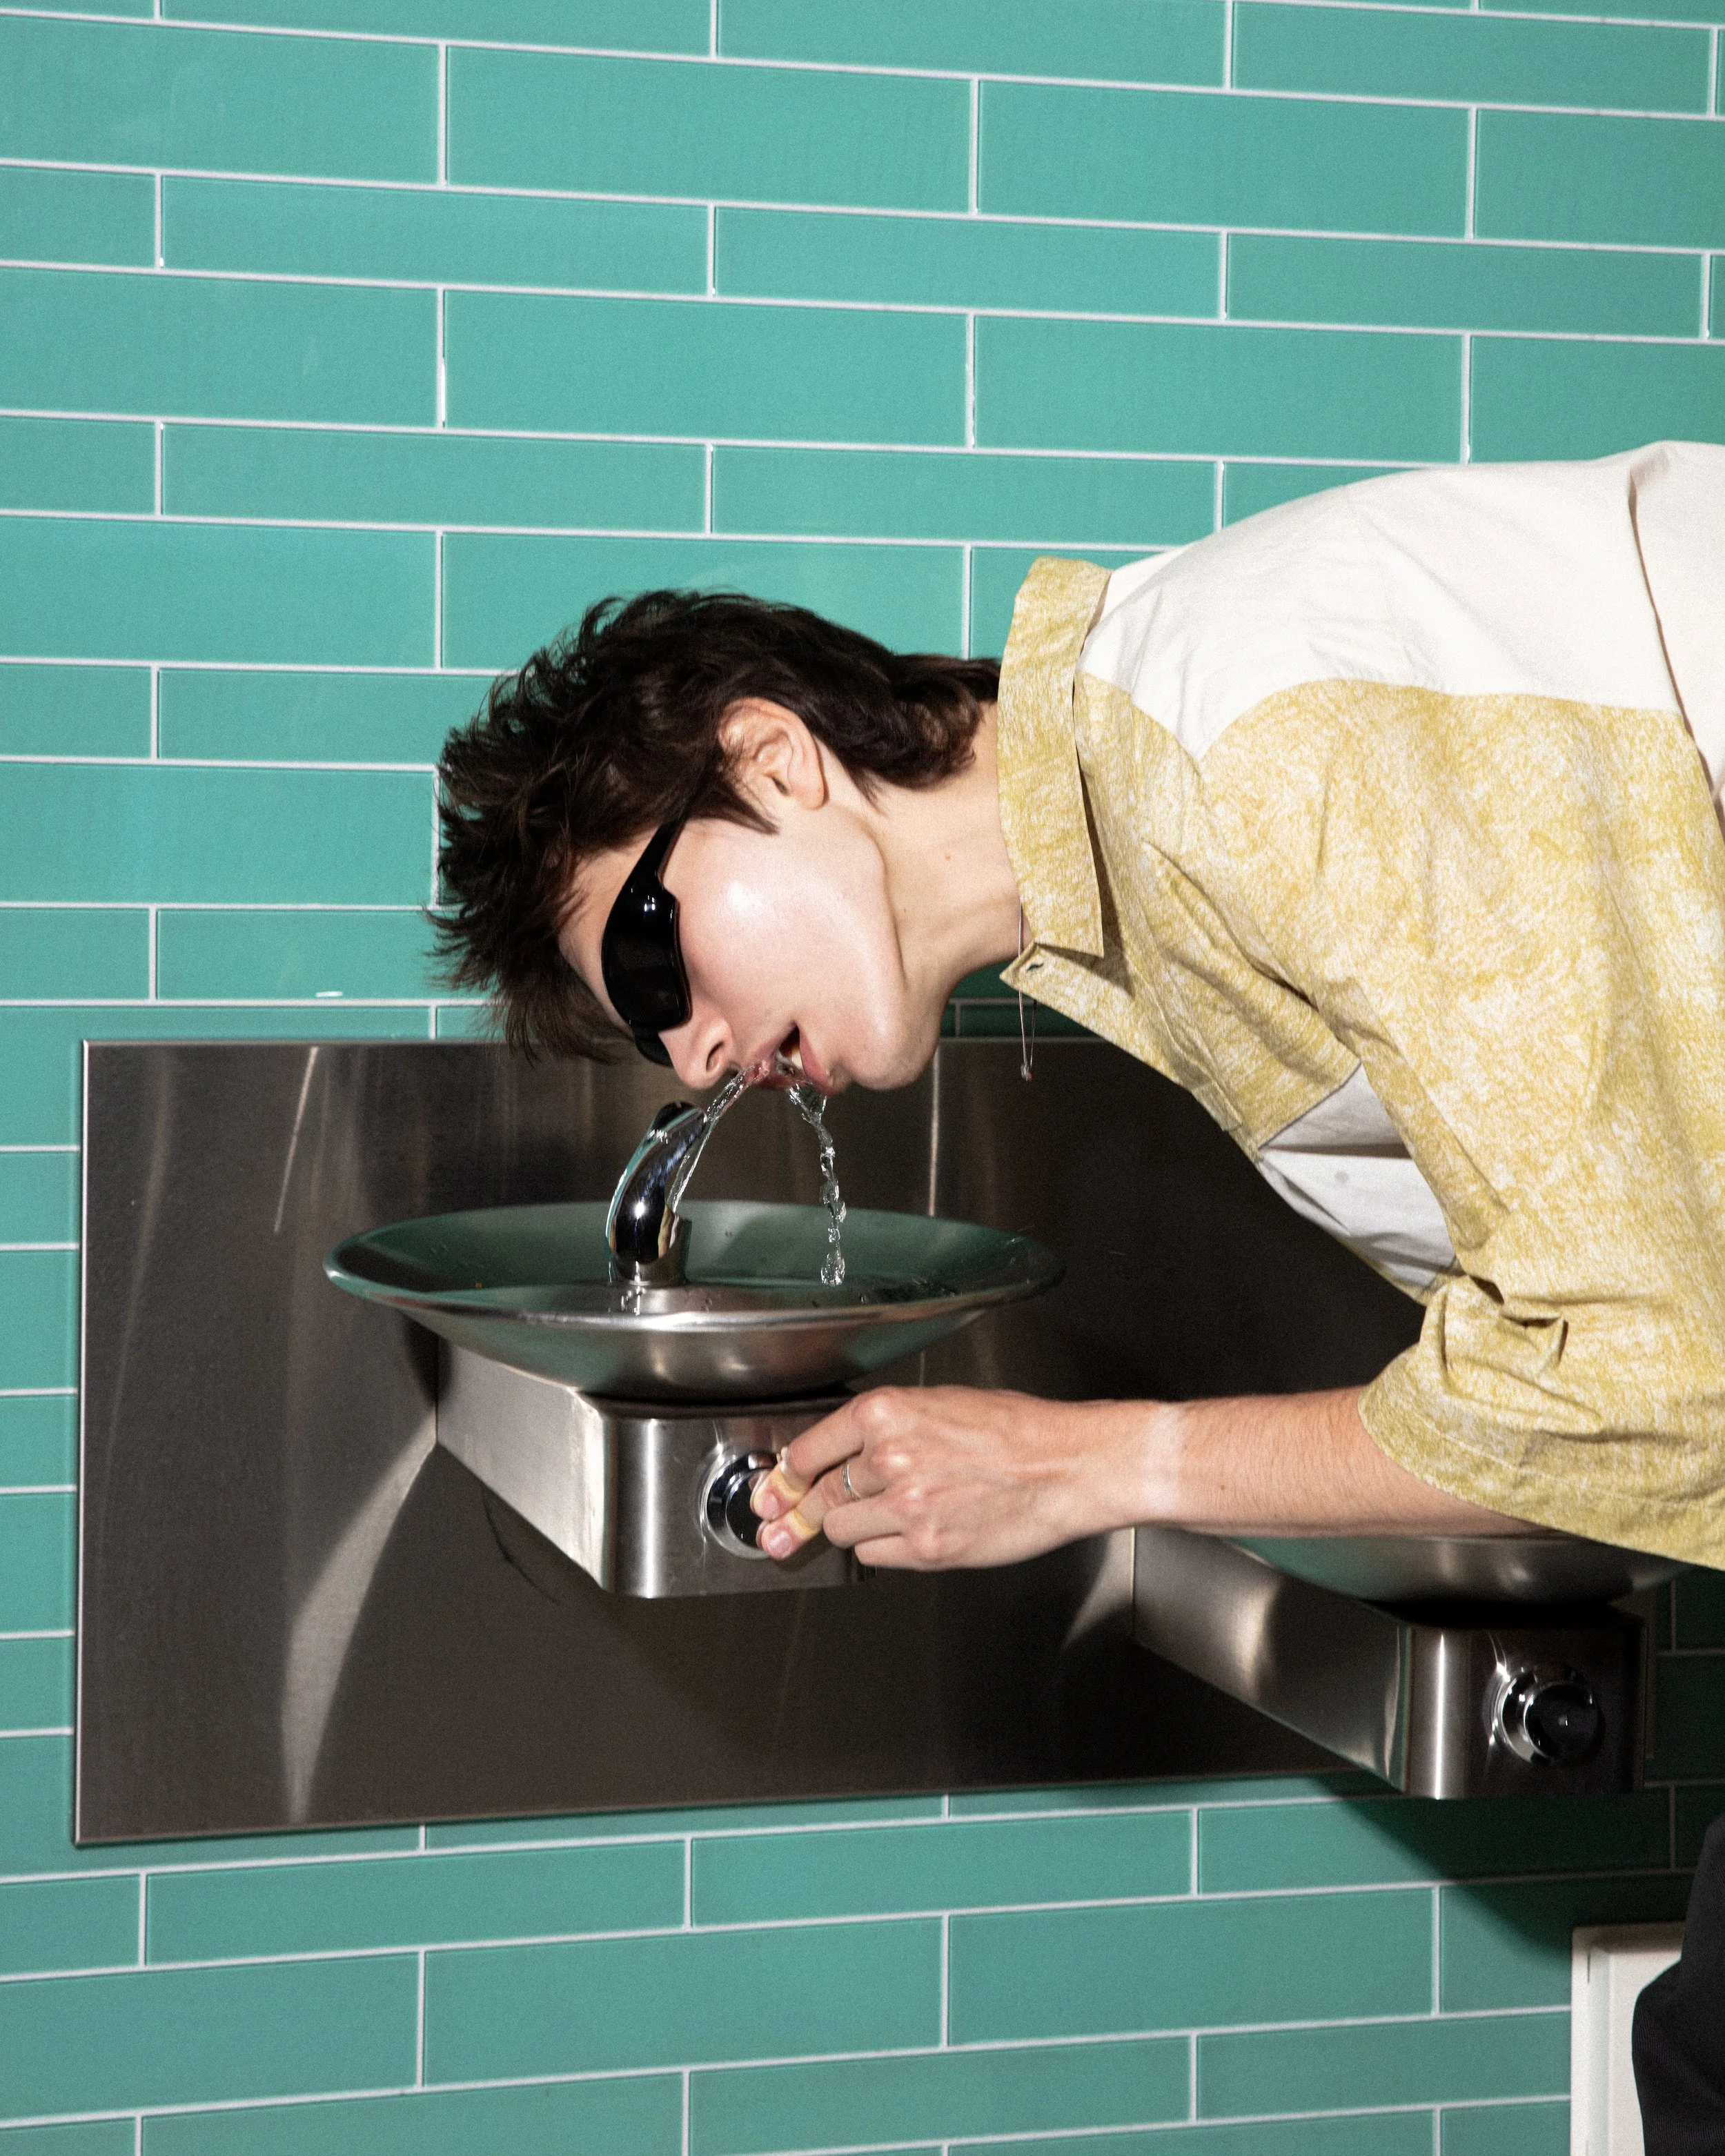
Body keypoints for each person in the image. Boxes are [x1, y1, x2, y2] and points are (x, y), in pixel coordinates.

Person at [437, 438, 1725, 2150]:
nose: (700, 1054)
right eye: (653, 1036)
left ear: (773, 756)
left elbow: (1650, 1370)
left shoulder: (1258, 727)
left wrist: (1082, 1467)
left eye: (659, 965)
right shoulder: (1144, 865)